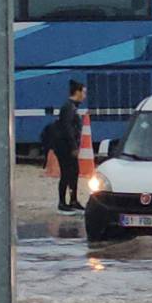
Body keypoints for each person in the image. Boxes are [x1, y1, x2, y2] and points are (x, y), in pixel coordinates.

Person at [55, 80, 86, 213]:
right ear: (77, 92)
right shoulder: (68, 107)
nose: (85, 96)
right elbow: (67, 128)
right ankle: (62, 203)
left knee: (74, 173)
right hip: (65, 147)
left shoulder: (72, 107)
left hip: (69, 146)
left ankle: (73, 200)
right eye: (84, 92)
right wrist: (73, 146)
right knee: (66, 174)